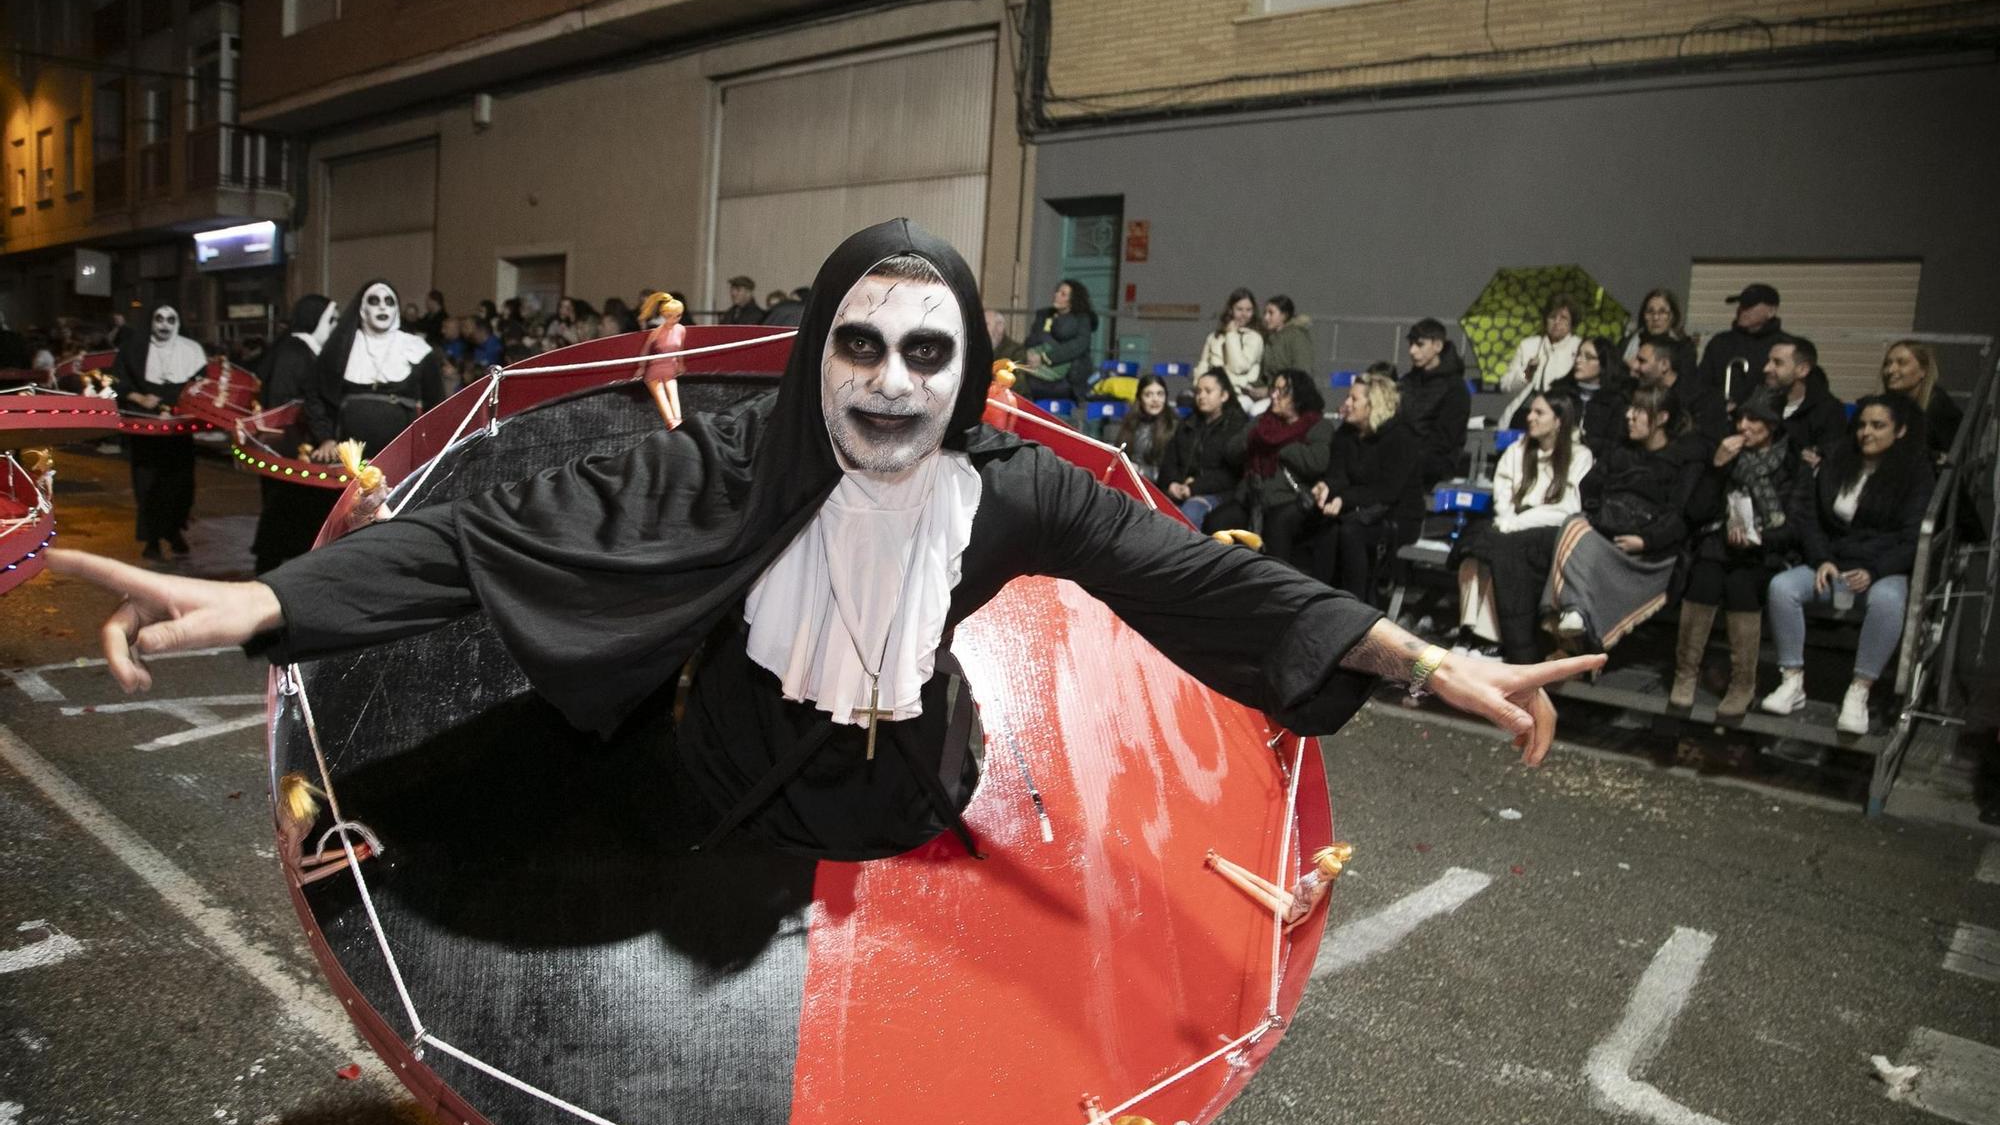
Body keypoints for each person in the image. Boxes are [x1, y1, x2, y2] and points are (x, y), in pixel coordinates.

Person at [49, 220, 1599, 868]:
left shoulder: (1013, 495)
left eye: (928, 355)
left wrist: (1426, 659)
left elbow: (1204, 578)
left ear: (967, 368)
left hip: (919, 773)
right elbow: (480, 544)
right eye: (859, 347)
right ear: (816, 358)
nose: (890, 385)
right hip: (729, 763)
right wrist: (245, 599)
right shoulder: (724, 468)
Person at [1761, 394, 1931, 735]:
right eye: (1863, 425)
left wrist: (1875, 571)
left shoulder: (1915, 473)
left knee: (1889, 600)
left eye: (1878, 425)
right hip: (1836, 562)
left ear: (1899, 431)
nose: (1866, 432)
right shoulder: (1838, 461)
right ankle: (1791, 680)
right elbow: (1812, 522)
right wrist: (1822, 559)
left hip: (1882, 568)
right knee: (1783, 588)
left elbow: (1912, 538)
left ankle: (1859, 690)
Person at [1542, 385, 1705, 654]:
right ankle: (1575, 615)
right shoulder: (1621, 450)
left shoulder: (1683, 460)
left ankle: (1574, 627)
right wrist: (1600, 519)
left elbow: (1680, 516)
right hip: (1609, 533)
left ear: (1662, 418)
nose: (1629, 415)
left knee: (1574, 534)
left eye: (1639, 411)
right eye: (1631, 409)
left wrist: (1645, 540)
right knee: (1574, 525)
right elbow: (1590, 488)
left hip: (1650, 552)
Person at [1673, 390, 1800, 716]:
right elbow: (1696, 511)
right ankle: (1685, 675)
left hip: (1764, 552)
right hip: (1717, 543)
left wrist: (1759, 538)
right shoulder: (1722, 455)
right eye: (1740, 418)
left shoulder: (1790, 462)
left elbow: (1797, 524)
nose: (1743, 425)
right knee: (1704, 576)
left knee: (1740, 585)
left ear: (1771, 425)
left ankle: (1743, 684)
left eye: (1753, 419)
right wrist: (1717, 468)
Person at [1452, 393, 1592, 663]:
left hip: (1548, 530)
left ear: (1559, 420)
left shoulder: (1579, 455)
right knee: (1474, 548)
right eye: (1531, 411)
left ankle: (1491, 637)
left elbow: (1567, 508)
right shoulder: (1519, 449)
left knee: (1501, 553)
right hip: (1510, 524)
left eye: (1540, 413)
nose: (1530, 417)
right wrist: (1507, 519)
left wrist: (1516, 523)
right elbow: (1502, 491)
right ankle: (1468, 629)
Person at [1306, 374, 1424, 599]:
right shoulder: (1346, 433)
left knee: (1351, 532)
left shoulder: (1401, 438)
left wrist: (1343, 499)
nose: (1346, 403)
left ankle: (1355, 606)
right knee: (1326, 528)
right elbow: (1338, 475)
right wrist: (1326, 487)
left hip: (1396, 516)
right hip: (1358, 509)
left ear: (1374, 405)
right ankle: (1318, 602)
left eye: (1354, 399)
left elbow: (1388, 491)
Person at [304, 280, 445, 461]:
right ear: (363, 310)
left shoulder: (417, 349)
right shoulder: (340, 348)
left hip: (402, 459)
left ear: (396, 310)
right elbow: (315, 394)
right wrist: (325, 438)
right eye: (374, 301)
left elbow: (437, 406)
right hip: (348, 460)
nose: (382, 307)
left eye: (389, 302)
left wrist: (428, 452)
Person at [251, 295, 343, 574]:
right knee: (283, 512)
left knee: (291, 512)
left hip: (297, 446)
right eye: (332, 319)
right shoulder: (296, 352)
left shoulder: (300, 349)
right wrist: (322, 434)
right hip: (292, 448)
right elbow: (289, 404)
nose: (336, 325)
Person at [1204, 369, 1330, 565]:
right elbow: (1231, 451)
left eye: (1282, 391)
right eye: (1274, 389)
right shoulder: (1263, 423)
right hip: (1253, 498)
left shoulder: (1317, 425)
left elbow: (1317, 462)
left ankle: (1276, 590)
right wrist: (1252, 440)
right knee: (1217, 522)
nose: (1274, 395)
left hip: (1289, 500)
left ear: (1298, 397)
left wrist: (1281, 445)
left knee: (1277, 526)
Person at [111, 305, 207, 562]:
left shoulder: (191, 350)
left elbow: (200, 386)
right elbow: (118, 382)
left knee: (180, 485)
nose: (164, 325)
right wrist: (140, 398)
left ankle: (174, 532)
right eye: (159, 319)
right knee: (148, 486)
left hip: (178, 433)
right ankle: (152, 540)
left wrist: (180, 406)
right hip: (146, 433)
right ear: (151, 321)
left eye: (170, 319)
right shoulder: (133, 348)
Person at [1157, 368, 1248, 530]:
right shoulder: (1187, 424)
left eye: (1208, 391)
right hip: (1182, 489)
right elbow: (1170, 460)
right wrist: (1172, 483)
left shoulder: (1238, 427)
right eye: (1198, 391)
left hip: (1219, 494)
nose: (1201, 396)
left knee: (1191, 511)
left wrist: (1193, 488)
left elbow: (1230, 474)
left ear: (1224, 396)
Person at [1696, 283, 1800, 411]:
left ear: (1771, 311)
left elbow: (1792, 388)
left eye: (1749, 306)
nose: (1742, 310)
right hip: (1720, 420)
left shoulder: (1786, 346)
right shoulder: (1721, 343)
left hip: (1766, 422)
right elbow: (1702, 384)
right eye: (1741, 305)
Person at [1397, 317, 1471, 488]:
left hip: (1434, 464)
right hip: (1404, 455)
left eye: (1420, 344)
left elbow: (1444, 440)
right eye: (1411, 344)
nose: (1412, 351)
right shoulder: (1408, 381)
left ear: (1437, 346)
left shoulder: (1455, 388)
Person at [1630, 334, 1729, 451]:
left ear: (1664, 365)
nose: (1634, 366)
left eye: (1642, 361)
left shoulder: (1704, 399)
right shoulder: (1636, 392)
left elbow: (1707, 447)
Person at [1498, 294, 1583, 429]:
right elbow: (1505, 386)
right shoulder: (1528, 345)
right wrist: (1527, 373)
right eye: (1552, 317)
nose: (1557, 322)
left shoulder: (1579, 348)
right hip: (1523, 415)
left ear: (1572, 323)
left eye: (1563, 318)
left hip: (1559, 419)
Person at [1762, 336, 1845, 467]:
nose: (1766, 368)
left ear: (1802, 370)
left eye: (1777, 363)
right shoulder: (1762, 401)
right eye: (1768, 361)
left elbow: (1830, 463)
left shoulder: (1829, 410)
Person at [1547, 334, 1627, 459]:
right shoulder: (1559, 392)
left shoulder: (1616, 401)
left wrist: (1583, 440)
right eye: (1578, 355)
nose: (1579, 360)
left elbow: (1614, 445)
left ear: (1604, 365)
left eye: (1588, 357)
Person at [1879, 339, 1961, 459]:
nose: (1891, 370)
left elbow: (1952, 457)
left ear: (1923, 370)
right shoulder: (1888, 404)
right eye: (1887, 363)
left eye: (1902, 363)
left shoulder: (1937, 405)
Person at [1017, 279, 1096, 403]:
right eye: (1057, 291)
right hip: (1035, 367)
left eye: (1063, 294)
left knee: (1021, 384)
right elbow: (1032, 339)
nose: (1057, 295)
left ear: (1072, 300)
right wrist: (1029, 354)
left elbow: (1078, 345)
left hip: (1067, 378)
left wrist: (1044, 357)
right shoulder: (1045, 315)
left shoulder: (1082, 320)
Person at [1196, 289, 1262, 403]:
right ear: (1231, 310)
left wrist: (1232, 335)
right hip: (1210, 392)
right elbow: (1203, 365)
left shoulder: (1254, 338)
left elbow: (1238, 367)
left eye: (1248, 310)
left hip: (1239, 394)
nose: (1244, 314)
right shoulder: (1213, 337)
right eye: (1239, 309)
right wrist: (1200, 387)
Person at [1113, 373, 1178, 483]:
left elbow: (1172, 473)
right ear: (1140, 398)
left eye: (1160, 394)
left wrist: (1140, 471)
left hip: (1158, 488)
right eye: (1148, 395)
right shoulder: (1130, 424)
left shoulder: (1175, 426)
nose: (1155, 399)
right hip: (1130, 482)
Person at [1620, 288, 1690, 377]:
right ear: (1644, 315)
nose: (1656, 317)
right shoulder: (1627, 343)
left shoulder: (1684, 350)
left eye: (1662, 312)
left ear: (1672, 316)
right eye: (1650, 312)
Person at [1257, 297, 1314, 391]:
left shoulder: (1297, 337)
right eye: (1265, 313)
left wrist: (1270, 391)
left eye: (1271, 313)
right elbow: (1265, 375)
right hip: (1272, 392)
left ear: (1284, 315)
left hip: (1291, 395)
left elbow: (1302, 373)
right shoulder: (1269, 339)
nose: (1266, 317)